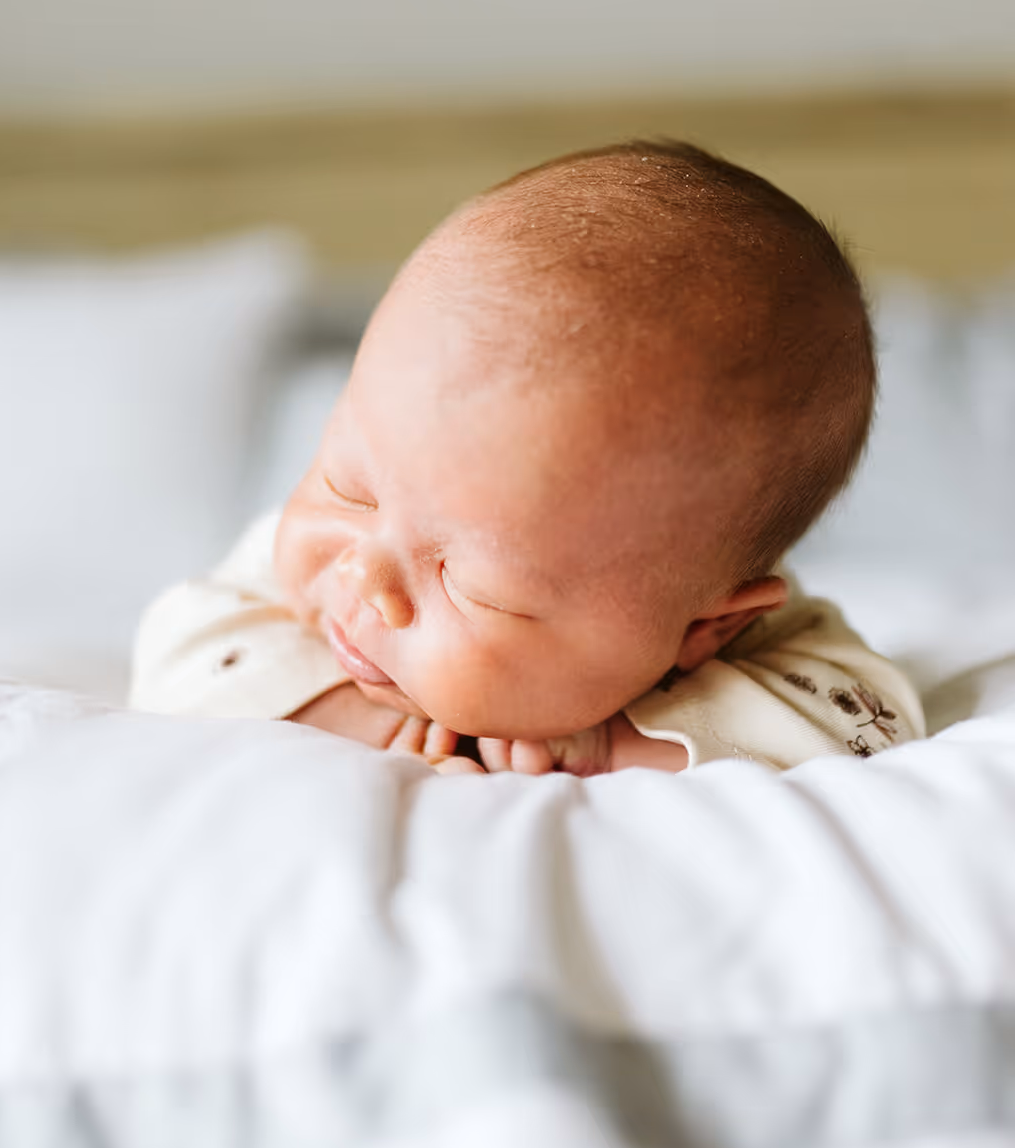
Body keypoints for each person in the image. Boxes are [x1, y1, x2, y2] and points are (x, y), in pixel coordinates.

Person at [130, 141, 924, 775]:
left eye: (474, 587)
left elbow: (864, 727)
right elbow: (180, 654)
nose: (363, 578)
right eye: (348, 485)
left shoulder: (770, 651)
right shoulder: (303, 581)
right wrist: (351, 716)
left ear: (703, 633)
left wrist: (616, 750)